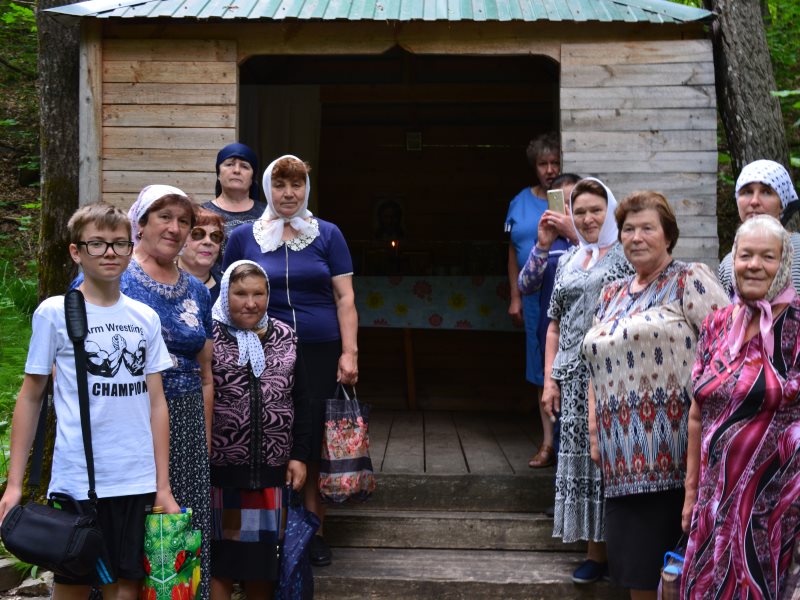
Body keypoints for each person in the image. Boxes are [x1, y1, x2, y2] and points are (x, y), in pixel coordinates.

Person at [0, 202, 180, 600]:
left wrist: (163, 486)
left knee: (127, 585)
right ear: (76, 252)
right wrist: (15, 484)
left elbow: (156, 402)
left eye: (119, 243)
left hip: (137, 477)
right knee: (73, 583)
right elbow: (31, 397)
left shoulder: (144, 317)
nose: (110, 253)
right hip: (79, 479)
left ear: (132, 249)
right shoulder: (55, 313)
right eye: (97, 244)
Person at [582, 191, 728, 599]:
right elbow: (594, 365)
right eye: (628, 229)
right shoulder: (611, 294)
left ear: (668, 235)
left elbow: (729, 350)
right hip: (620, 462)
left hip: (677, 455)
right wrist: (594, 430)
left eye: (647, 228)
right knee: (636, 576)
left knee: (677, 577)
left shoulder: (690, 278)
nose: (636, 237)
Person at [222, 155, 358, 568]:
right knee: (268, 436)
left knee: (315, 440)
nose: (288, 193)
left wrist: (350, 351)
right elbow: (228, 295)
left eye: (296, 185)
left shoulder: (327, 234)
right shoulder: (245, 236)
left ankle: (315, 529)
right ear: (266, 189)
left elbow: (345, 297)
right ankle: (269, 530)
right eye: (280, 185)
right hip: (263, 349)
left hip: (320, 349)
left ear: (306, 190)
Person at [682, 215, 800, 599]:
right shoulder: (717, 324)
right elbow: (697, 411)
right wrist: (691, 493)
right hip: (713, 504)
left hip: (773, 508)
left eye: (767, 256)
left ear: (784, 264)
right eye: (745, 255)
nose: (754, 265)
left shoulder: (798, 327)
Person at [533, 177, 633, 583]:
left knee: (606, 462)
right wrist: (548, 380)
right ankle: (594, 548)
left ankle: (613, 553)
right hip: (570, 376)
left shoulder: (625, 257)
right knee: (577, 460)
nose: (588, 218)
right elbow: (553, 324)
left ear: (610, 211)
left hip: (609, 375)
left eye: (596, 210)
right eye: (580, 211)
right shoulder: (570, 259)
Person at [209, 260, 311, 600]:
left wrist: (298, 456)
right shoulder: (209, 336)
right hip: (220, 472)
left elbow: (302, 399)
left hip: (271, 472)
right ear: (226, 294)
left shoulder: (286, 336)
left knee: (262, 566)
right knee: (220, 564)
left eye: (258, 293)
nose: (250, 302)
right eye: (240, 293)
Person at [505, 132, 565, 468]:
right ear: (534, 167)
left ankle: (563, 442)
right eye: (544, 163)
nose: (550, 169)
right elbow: (512, 252)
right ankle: (546, 442)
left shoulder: (565, 199)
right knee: (539, 366)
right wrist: (514, 295)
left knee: (560, 366)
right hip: (531, 296)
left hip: (561, 292)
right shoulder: (518, 202)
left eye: (555, 162)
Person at [717, 159, 800, 296]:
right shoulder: (728, 263)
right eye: (747, 192)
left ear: (782, 203)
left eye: (766, 192)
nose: (754, 201)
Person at [202, 142, 265, 238]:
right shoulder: (202, 212)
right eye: (230, 164)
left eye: (244, 166)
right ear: (218, 174)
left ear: (252, 178)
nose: (237, 170)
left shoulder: (267, 214)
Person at [177, 208, 226, 304]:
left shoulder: (226, 290)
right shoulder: (160, 282)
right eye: (198, 234)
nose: (208, 242)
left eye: (215, 236)